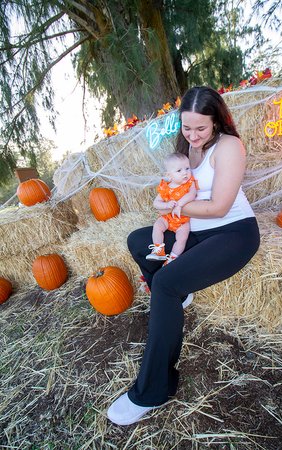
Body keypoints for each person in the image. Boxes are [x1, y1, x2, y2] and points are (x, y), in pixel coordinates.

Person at [107, 86, 260, 426]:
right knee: (137, 240)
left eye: (200, 129)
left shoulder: (229, 146)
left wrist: (174, 206)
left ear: (217, 121)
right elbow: (174, 188)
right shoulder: (184, 149)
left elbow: (219, 206)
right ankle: (182, 291)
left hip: (233, 232)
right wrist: (162, 204)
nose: (192, 136)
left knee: (164, 284)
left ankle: (152, 391)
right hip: (196, 228)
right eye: (186, 128)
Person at [146, 152, 197, 265]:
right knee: (157, 226)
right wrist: (166, 205)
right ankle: (158, 250)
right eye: (179, 171)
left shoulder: (189, 183)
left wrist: (179, 204)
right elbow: (156, 203)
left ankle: (173, 258)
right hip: (167, 218)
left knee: (182, 238)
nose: (185, 173)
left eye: (187, 168)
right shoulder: (166, 187)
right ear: (169, 175)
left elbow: (192, 194)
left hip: (182, 220)